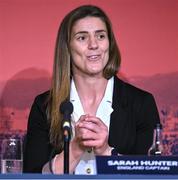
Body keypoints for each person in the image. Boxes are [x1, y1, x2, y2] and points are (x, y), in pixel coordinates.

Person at [23, 5, 160, 174]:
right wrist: (74, 149)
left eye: (100, 36)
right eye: (82, 38)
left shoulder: (141, 103)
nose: (93, 44)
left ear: (109, 43)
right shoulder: (44, 106)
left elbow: (151, 175)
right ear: (67, 47)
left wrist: (105, 151)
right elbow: (33, 175)